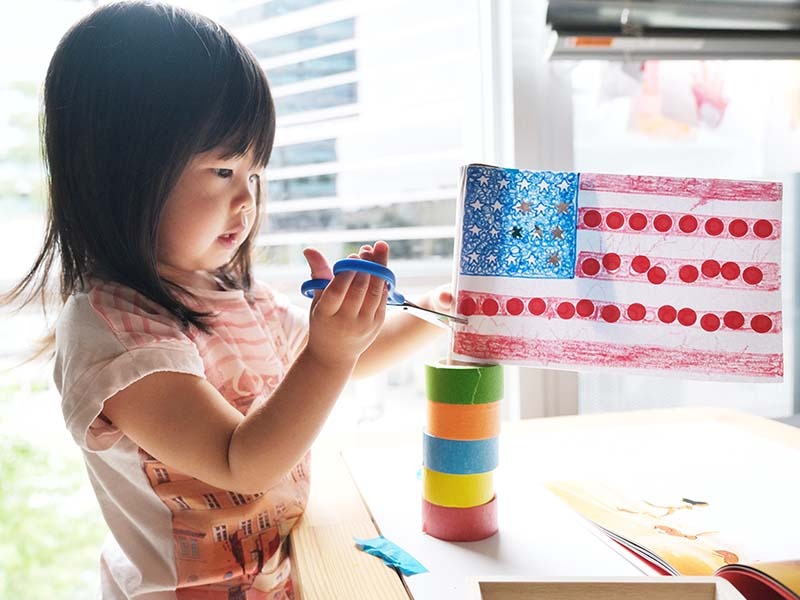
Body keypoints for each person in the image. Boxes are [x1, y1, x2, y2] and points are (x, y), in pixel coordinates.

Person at [4, 2, 452, 598]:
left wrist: (443, 309)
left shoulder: (230, 292)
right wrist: (329, 354)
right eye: (222, 171)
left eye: (255, 174)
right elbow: (242, 463)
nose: (247, 200)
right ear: (123, 169)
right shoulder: (115, 332)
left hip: (280, 574)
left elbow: (350, 353)